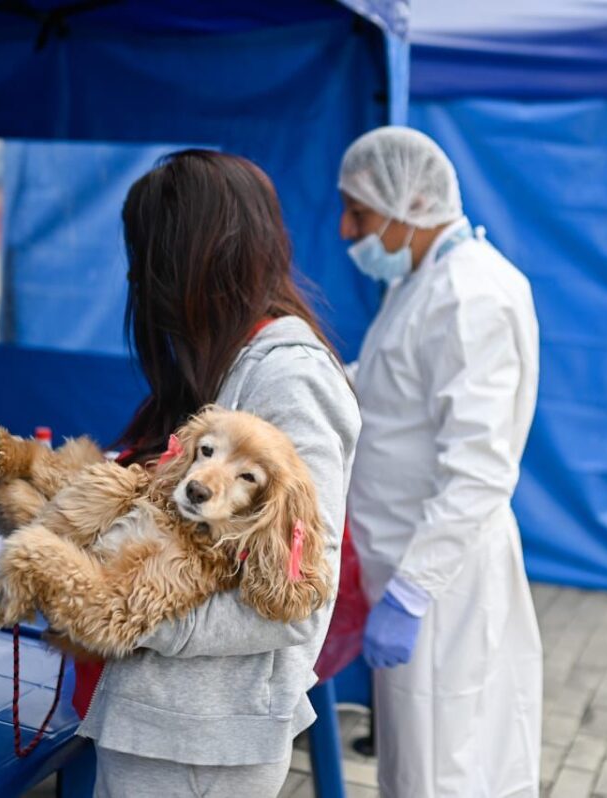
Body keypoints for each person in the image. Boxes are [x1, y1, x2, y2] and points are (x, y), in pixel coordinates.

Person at [71, 150, 361, 797]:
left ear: (193, 259)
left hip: (202, 740)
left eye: (149, 256)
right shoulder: (235, 365)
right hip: (170, 727)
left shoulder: (289, 379)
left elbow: (297, 600)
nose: (139, 277)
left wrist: (124, 614)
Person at [339, 127, 542, 798]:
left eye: (359, 212)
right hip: (408, 567)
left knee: (448, 767)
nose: (346, 230)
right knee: (419, 764)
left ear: (410, 203)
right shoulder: (424, 280)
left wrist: (414, 589)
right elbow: (393, 384)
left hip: (440, 581)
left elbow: (480, 468)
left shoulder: (470, 295)